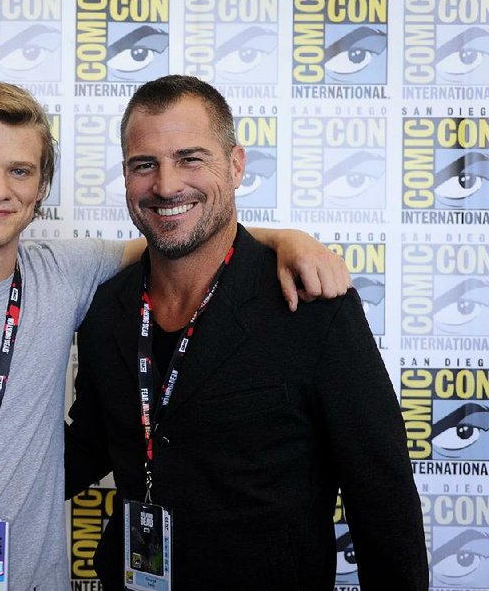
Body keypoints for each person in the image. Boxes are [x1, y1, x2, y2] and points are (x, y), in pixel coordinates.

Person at [0, 81, 350, 590]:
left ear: (41, 183)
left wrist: (286, 238)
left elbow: (182, 232)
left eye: (20, 171)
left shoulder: (66, 275)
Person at [65, 75, 428, 590]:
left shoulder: (312, 304)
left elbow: (382, 498)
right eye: (144, 164)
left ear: (236, 166)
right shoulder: (105, 307)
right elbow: (89, 444)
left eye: (191, 158)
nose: (166, 185)